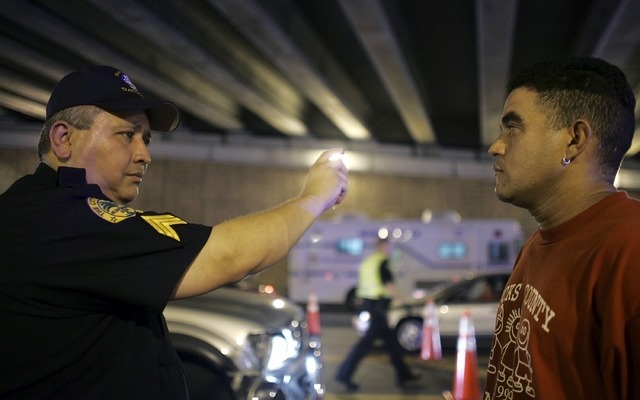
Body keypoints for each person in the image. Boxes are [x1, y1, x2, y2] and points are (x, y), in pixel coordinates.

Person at [0, 65, 348, 399]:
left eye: (146, 139)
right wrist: (316, 196)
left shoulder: (45, 213)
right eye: (127, 135)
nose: (144, 154)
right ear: (63, 138)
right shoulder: (60, 220)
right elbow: (229, 255)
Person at [484, 56, 640, 399]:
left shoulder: (630, 249)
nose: (496, 146)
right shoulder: (537, 245)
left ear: (574, 140)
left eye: (513, 127)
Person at [335, 237, 419, 391]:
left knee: (391, 343)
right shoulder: (382, 261)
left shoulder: (369, 262)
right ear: (382, 246)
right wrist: (401, 301)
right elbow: (389, 284)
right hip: (378, 308)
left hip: (369, 305)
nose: (390, 250)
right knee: (365, 345)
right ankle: (344, 375)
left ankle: (404, 375)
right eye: (389, 246)